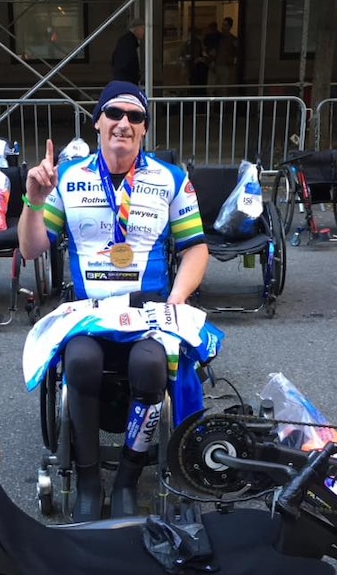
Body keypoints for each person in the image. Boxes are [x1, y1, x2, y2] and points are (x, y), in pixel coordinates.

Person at [19, 81, 210, 522]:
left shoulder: (170, 179)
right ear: (98, 122)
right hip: (90, 317)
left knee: (149, 368)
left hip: (148, 315)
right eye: (114, 114)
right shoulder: (69, 178)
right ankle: (88, 481)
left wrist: (177, 302)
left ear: (143, 129)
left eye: (135, 117)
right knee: (81, 363)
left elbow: (197, 248)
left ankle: (126, 480)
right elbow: (30, 249)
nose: (124, 123)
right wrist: (33, 200)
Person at [110, 18, 145, 85]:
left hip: (123, 77)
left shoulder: (126, 40)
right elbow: (128, 61)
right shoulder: (128, 42)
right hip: (126, 79)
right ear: (136, 29)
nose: (144, 32)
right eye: (142, 29)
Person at [211, 17, 238, 97]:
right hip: (215, 65)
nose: (223, 27)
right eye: (222, 25)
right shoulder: (217, 37)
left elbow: (236, 53)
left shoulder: (233, 39)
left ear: (230, 26)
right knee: (211, 88)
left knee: (223, 88)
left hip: (225, 66)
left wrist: (232, 60)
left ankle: (223, 106)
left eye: (225, 25)